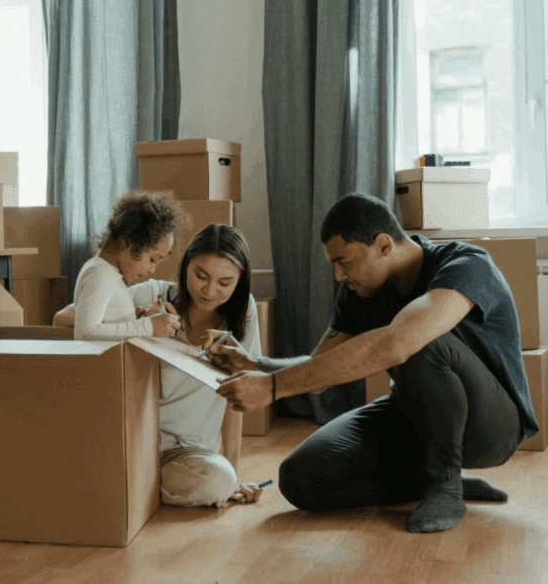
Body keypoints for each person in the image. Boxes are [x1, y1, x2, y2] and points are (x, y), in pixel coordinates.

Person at [207, 193, 539, 532]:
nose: (338, 276)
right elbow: (320, 368)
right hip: (416, 416)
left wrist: (273, 388)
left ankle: (445, 486)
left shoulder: (467, 265)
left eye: (344, 262)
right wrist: (256, 364)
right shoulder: (359, 291)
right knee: (300, 478)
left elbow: (399, 342)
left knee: (421, 341)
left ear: (382, 245)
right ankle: (429, 481)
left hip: (492, 428)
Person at [56, 224, 268, 507]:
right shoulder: (152, 295)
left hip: (188, 453)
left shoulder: (244, 315)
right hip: (135, 441)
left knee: (219, 482)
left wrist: (233, 473)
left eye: (224, 283)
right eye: (200, 275)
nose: (209, 290)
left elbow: (237, 398)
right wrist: (141, 321)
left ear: (240, 281)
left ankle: (129, 485)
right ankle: (131, 483)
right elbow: (63, 318)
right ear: (185, 266)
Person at [70, 190, 184, 341]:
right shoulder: (99, 274)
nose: (152, 269)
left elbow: (108, 328)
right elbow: (85, 333)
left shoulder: (109, 274)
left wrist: (137, 320)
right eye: (152, 259)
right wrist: (147, 326)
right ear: (129, 240)